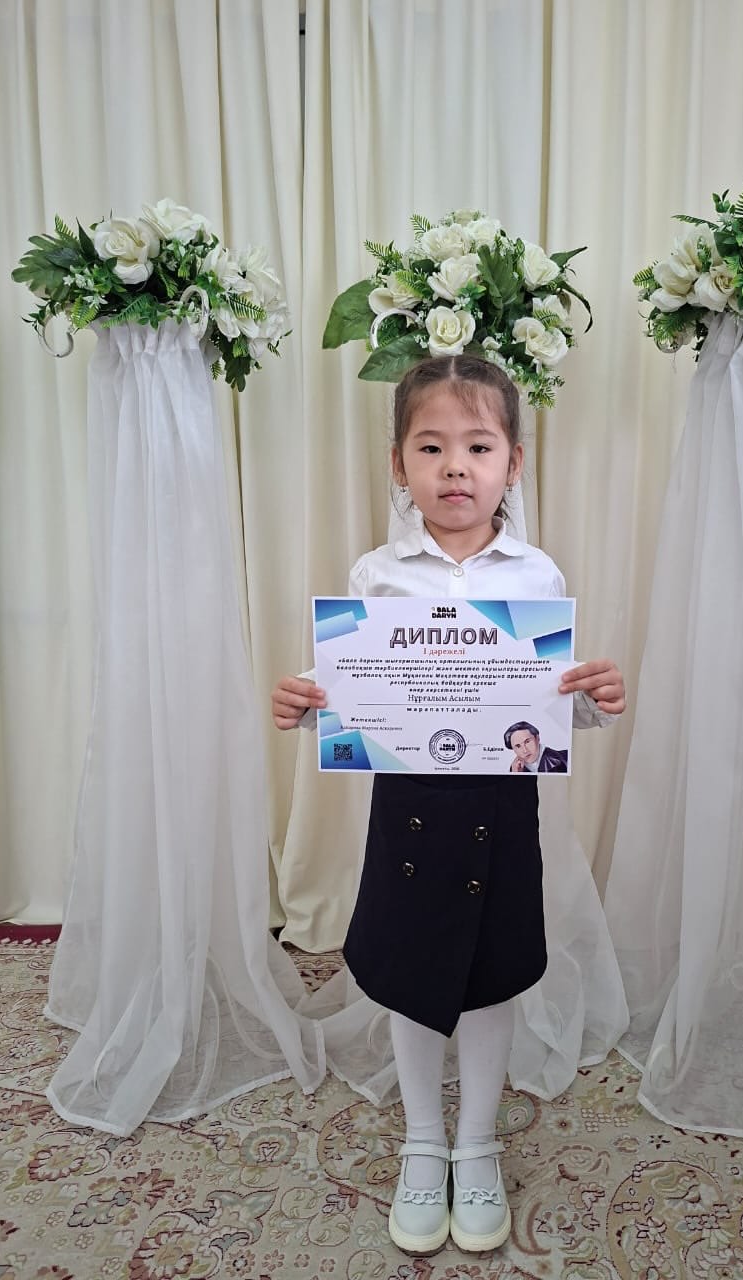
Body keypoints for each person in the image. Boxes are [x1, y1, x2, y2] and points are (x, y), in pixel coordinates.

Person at [271, 356, 625, 1257]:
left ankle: (477, 1145)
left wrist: (593, 696)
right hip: (410, 809)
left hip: (502, 810)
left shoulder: (537, 575)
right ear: (399, 464)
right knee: (411, 969)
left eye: (479, 446)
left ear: (513, 462)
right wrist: (307, 698)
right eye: (431, 448)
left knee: (490, 972)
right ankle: (423, 1141)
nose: (455, 467)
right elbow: (353, 680)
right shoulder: (378, 573)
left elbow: (550, 700)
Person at [504, 720, 568, 773]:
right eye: (518, 746)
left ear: (537, 738)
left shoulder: (560, 759)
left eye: (527, 742)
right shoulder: (515, 769)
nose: (525, 750)